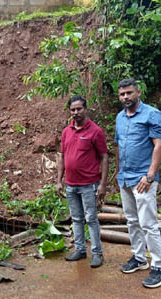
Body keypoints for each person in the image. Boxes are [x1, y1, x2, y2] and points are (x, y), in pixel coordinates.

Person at [114, 79, 161, 288]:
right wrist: (118, 172)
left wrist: (150, 175)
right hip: (125, 178)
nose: (125, 97)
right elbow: (119, 146)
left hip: (143, 179)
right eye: (122, 94)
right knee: (131, 220)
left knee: (148, 223)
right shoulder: (120, 117)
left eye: (129, 93)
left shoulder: (152, 114)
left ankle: (160, 267)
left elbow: (159, 145)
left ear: (138, 93)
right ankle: (139, 258)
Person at [57, 95, 109, 269]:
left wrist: (102, 184)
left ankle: (97, 253)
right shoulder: (66, 131)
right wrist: (59, 181)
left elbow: (104, 157)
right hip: (71, 184)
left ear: (85, 109)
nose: (76, 112)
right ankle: (80, 250)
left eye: (79, 109)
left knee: (91, 219)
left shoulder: (95, 131)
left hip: (89, 184)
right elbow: (62, 156)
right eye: (73, 110)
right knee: (77, 219)